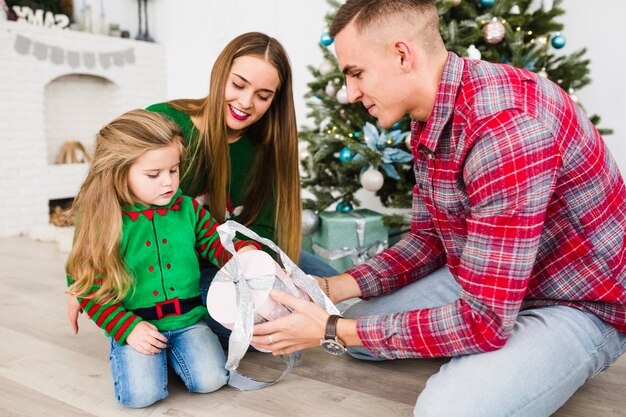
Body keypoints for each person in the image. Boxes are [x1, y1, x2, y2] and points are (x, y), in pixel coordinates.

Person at [251, 1, 626, 416]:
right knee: (359, 341)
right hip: (487, 278)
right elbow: (429, 240)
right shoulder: (429, 114)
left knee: (443, 411)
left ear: (402, 55)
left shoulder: (505, 130)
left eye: (356, 72)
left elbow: (484, 320)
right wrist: (331, 289)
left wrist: (329, 326)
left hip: (576, 300)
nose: (351, 92)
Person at [67, 32, 337, 343]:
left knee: (328, 286)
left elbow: (266, 227)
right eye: (237, 85)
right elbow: (103, 194)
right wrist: (80, 280)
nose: (246, 103)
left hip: (231, 258)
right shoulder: (167, 123)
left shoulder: (265, 148)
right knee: (236, 326)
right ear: (220, 74)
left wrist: (257, 262)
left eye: (263, 96)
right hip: (176, 267)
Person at [66, 109, 261, 408]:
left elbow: (216, 242)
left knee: (212, 380)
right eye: (153, 175)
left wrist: (242, 253)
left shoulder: (187, 209)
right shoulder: (103, 221)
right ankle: (146, 352)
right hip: (136, 322)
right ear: (119, 173)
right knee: (141, 397)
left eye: (173, 170)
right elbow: (89, 286)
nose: (168, 182)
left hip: (189, 320)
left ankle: (175, 354)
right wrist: (127, 329)